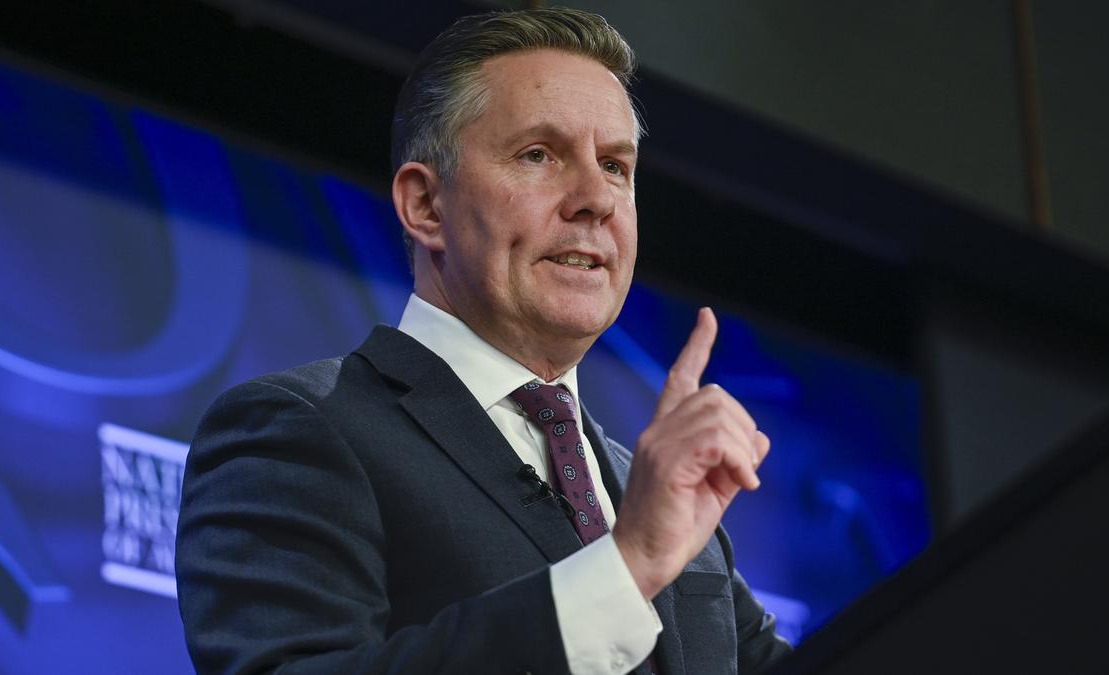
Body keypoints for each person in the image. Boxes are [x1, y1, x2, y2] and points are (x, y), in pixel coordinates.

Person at [176, 7, 792, 674]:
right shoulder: (297, 431)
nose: (596, 198)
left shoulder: (664, 506)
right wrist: (628, 565)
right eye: (539, 155)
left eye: (615, 165)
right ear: (425, 205)